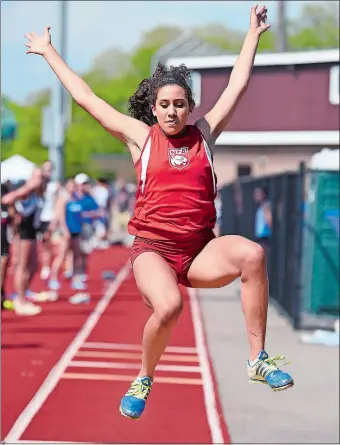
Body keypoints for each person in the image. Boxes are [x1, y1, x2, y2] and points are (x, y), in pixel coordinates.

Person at [25, 4, 293, 419]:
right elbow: (86, 98)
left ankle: (257, 358)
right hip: (153, 250)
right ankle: (144, 377)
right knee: (169, 307)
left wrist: (252, 37)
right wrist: (49, 53)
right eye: (164, 104)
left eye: (180, 104)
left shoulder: (204, 134)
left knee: (252, 254)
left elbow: (237, 86)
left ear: (189, 108)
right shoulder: (141, 138)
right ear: (154, 108)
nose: (171, 111)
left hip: (200, 249)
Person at [1, 165, 51, 315]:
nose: (39, 180)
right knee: (22, 266)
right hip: (23, 231)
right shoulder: (26, 191)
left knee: (34, 265)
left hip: (32, 231)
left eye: (41, 177)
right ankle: (20, 300)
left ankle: (23, 292)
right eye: (36, 177)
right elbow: (7, 199)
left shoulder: (39, 192)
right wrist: (15, 211)